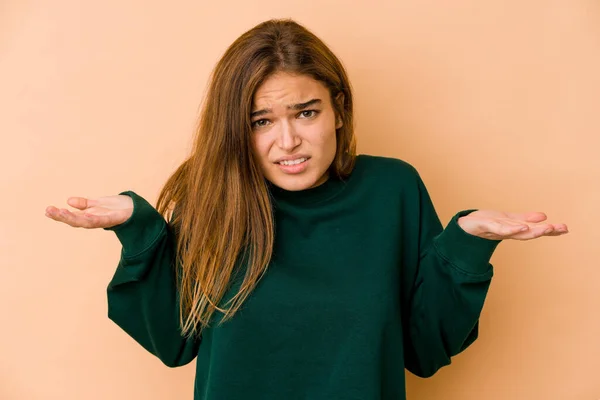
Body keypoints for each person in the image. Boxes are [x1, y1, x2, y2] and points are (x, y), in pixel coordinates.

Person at [45, 18, 568, 400]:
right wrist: (140, 230)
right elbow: (174, 342)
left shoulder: (393, 189)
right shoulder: (215, 199)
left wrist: (467, 246)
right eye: (261, 122)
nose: (288, 141)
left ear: (338, 110)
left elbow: (424, 351)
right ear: (238, 130)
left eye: (306, 112)